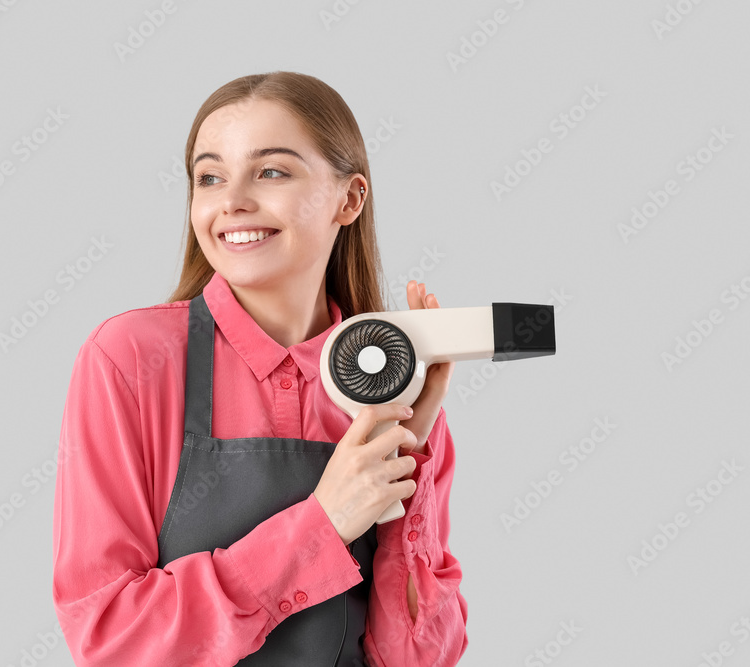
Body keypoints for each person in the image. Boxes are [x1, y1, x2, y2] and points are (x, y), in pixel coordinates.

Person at [52, 71, 468, 666]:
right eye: (210, 177)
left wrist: (411, 456)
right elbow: (111, 640)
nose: (232, 201)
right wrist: (320, 526)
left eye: (271, 171)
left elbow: (416, 660)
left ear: (349, 199)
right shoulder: (129, 359)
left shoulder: (390, 388)